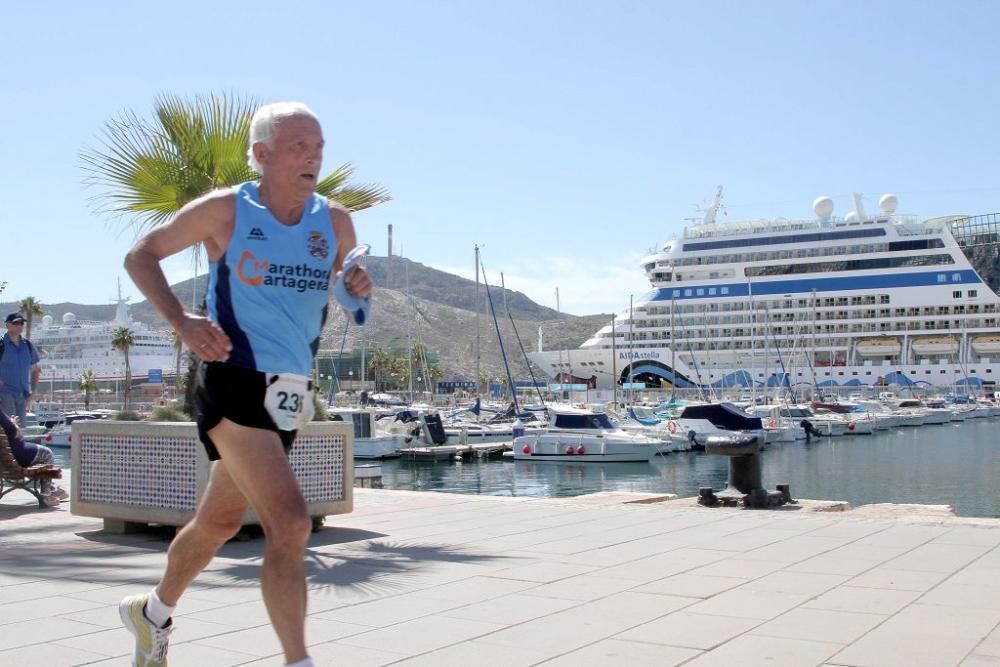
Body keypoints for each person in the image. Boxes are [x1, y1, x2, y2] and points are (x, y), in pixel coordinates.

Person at [119, 101, 372, 667]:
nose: (313, 156)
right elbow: (142, 255)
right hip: (231, 377)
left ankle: (152, 612)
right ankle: (298, 661)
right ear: (260, 155)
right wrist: (182, 323)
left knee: (219, 521)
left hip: (289, 389)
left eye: (319, 146)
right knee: (291, 523)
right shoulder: (226, 211)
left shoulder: (334, 221)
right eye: (298, 146)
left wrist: (356, 284)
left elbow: (346, 293)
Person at [0, 407, 67, 505]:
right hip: (17, 455)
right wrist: (14, 422)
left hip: (3, 461)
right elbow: (15, 432)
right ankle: (47, 494)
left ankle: (52, 488)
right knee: (47, 453)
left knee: (42, 454)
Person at [0, 313, 40, 424]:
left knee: (20, 432)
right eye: (16, 323)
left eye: (22, 323)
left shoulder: (27, 345)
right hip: (4, 394)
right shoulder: (1, 344)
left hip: (23, 395)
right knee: (10, 429)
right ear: (8, 325)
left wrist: (33, 391)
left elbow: (35, 370)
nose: (20, 326)